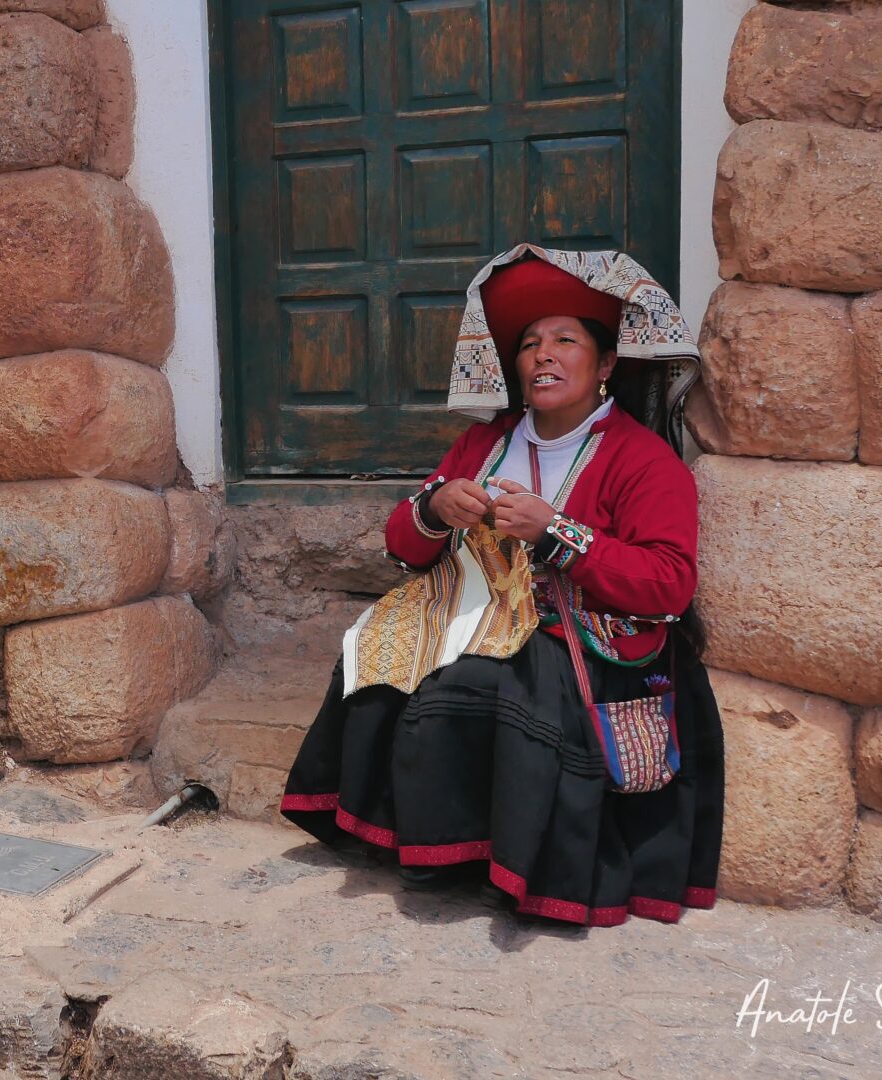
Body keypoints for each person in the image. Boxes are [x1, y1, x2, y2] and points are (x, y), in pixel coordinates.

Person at [279, 246, 724, 928]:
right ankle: (406, 837)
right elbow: (403, 546)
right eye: (529, 344)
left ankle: (491, 861)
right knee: (376, 648)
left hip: (583, 636)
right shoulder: (485, 443)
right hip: (475, 614)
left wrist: (557, 534)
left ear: (606, 364)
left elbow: (668, 584)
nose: (543, 355)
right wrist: (435, 509)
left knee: (477, 680)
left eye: (565, 341)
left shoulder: (642, 459)